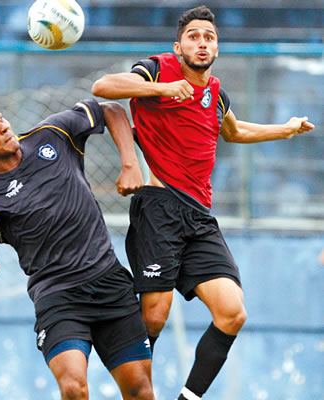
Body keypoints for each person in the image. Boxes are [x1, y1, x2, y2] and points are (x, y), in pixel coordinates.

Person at [91, 5, 315, 400]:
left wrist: (285, 130)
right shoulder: (157, 69)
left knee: (232, 312)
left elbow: (235, 131)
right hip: (159, 207)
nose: (202, 42)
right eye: (193, 36)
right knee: (154, 320)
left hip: (199, 217)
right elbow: (104, 87)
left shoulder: (216, 93)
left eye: (209, 37)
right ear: (179, 46)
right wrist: (160, 89)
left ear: (217, 48)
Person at [0, 97, 154, 400]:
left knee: (139, 390)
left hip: (109, 282)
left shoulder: (53, 134)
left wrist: (130, 163)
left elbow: (110, 110)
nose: (3, 127)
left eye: (0, 117)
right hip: (59, 298)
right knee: (73, 387)